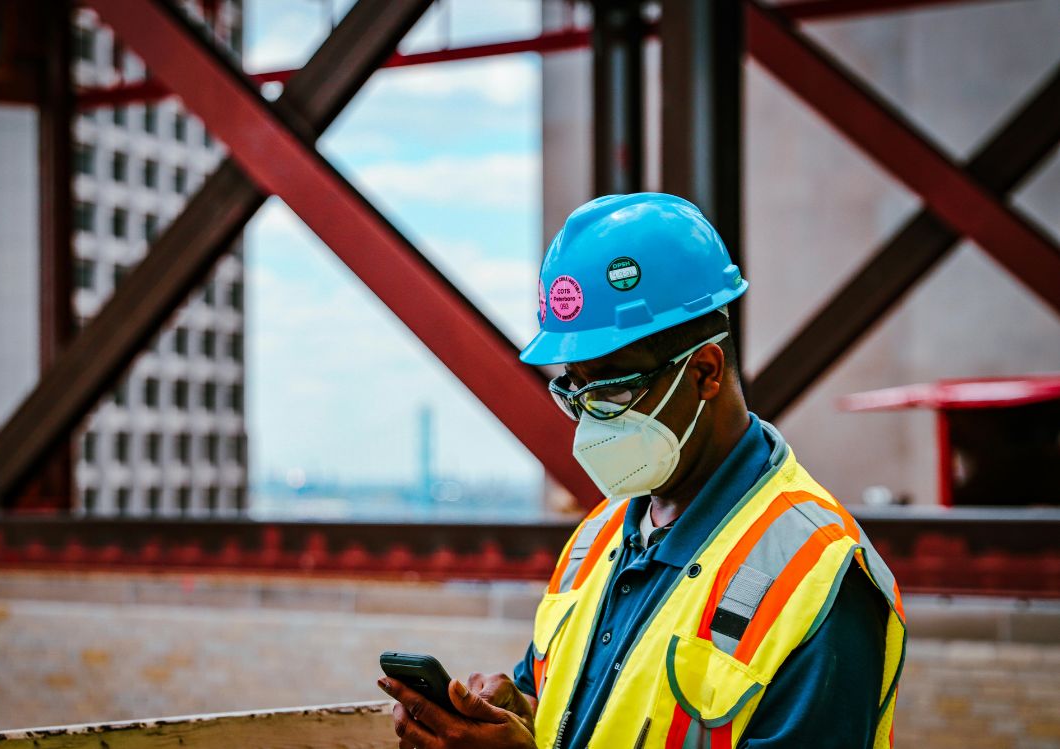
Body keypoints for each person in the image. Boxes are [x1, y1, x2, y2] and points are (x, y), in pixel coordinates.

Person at [379, 193, 906, 749]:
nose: (589, 424)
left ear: (705, 372)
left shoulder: (816, 578)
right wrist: (519, 712)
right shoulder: (596, 540)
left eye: (615, 391)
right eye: (575, 391)